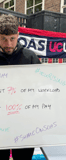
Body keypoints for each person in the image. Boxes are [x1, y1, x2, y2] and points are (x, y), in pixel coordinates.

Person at [0, 14, 41, 160]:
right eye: (3, 39)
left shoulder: (30, 57)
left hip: (25, 124)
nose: (8, 44)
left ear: (18, 35)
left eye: (12, 38)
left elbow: (45, 88)